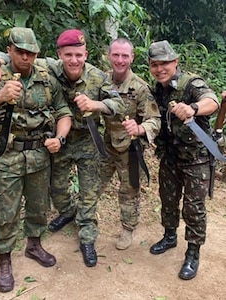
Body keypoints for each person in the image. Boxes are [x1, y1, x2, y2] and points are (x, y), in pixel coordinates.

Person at [0, 29, 126, 267]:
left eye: (78, 54)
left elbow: (118, 104)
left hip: (86, 141)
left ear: (85, 54)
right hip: (56, 143)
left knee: (88, 194)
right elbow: (19, 55)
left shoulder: (98, 77)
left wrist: (95, 104)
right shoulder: (49, 68)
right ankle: (66, 213)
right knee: (55, 190)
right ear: (60, 55)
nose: (74, 60)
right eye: (68, 55)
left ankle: (87, 238)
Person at [0, 27, 72, 292]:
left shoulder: (48, 76)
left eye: (30, 53)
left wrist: (59, 139)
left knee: (39, 207)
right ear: (10, 51)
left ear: (37, 53)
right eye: (20, 52)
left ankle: (34, 245)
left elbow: (63, 111)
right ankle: (4, 260)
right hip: (7, 156)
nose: (25, 58)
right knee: (5, 213)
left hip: (39, 155)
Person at [147, 40, 219, 280]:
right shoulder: (156, 88)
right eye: (155, 64)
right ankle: (170, 236)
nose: (160, 69)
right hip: (170, 157)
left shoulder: (191, 83)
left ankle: (193, 252)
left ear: (175, 62)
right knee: (168, 199)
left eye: (164, 63)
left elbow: (213, 101)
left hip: (196, 159)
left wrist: (194, 108)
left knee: (194, 207)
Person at [99, 38, 161, 250]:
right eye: (116, 55)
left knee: (130, 190)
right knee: (93, 184)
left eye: (125, 56)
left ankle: (127, 228)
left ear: (132, 57)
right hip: (106, 144)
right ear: (109, 56)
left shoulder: (140, 87)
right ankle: (84, 220)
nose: (120, 60)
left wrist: (140, 128)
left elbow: (155, 119)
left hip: (131, 149)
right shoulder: (101, 80)